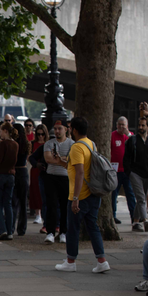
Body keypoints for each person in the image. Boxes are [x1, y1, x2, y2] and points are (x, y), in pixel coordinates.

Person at [55, 117, 109, 273]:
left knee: (73, 228)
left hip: (80, 195)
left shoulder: (77, 147)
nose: (69, 131)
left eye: (70, 128)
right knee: (93, 227)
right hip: (93, 193)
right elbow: (82, 169)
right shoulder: (91, 144)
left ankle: (70, 261)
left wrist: (76, 198)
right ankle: (101, 260)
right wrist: (62, 163)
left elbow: (79, 172)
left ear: (75, 130)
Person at [122, 117, 148, 232]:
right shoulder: (132, 140)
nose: (140, 127)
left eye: (143, 125)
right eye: (139, 125)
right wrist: (128, 172)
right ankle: (145, 220)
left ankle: (135, 222)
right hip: (135, 173)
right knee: (141, 197)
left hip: (147, 174)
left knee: (140, 199)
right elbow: (126, 158)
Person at [43, 121, 73, 244]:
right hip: (51, 177)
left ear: (66, 129)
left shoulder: (72, 144)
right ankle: (50, 232)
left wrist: (59, 159)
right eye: (55, 129)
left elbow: (71, 159)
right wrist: (62, 159)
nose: (57, 131)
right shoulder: (49, 143)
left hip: (65, 177)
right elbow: (48, 158)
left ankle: (63, 232)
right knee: (51, 205)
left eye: (59, 128)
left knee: (65, 205)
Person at [0, 122, 18, 241]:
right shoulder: (15, 144)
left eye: (1, 130)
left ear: (5, 131)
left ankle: (2, 230)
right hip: (10, 175)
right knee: (8, 203)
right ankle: (10, 231)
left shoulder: (3, 143)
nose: (0, 133)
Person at [110, 116, 135, 224]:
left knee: (130, 194)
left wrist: (127, 134)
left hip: (127, 171)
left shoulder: (130, 136)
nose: (121, 127)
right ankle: (113, 215)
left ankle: (134, 217)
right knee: (113, 194)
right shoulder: (112, 135)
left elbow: (135, 145)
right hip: (115, 170)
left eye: (123, 125)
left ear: (126, 126)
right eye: (119, 124)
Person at [11, 122, 30, 236]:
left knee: (13, 201)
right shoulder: (26, 144)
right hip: (23, 171)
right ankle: (22, 228)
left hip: (14, 171)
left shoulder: (13, 144)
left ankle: (11, 226)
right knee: (23, 203)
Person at [29, 124, 48, 226]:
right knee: (35, 191)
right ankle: (38, 214)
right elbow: (30, 157)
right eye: (39, 134)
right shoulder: (33, 144)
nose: (41, 136)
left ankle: (43, 214)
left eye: (43, 134)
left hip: (45, 170)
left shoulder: (47, 144)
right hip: (35, 169)